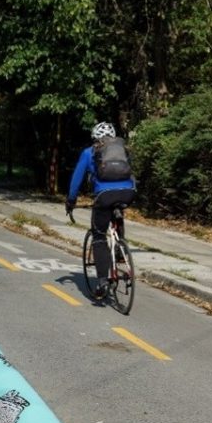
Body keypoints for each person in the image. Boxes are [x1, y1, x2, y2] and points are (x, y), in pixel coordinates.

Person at [66, 122, 136, 298]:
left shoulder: (89, 152)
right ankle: (120, 249)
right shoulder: (122, 149)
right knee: (117, 212)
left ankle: (103, 280)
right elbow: (130, 172)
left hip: (104, 195)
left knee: (98, 235)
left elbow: (77, 178)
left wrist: (71, 200)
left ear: (94, 138)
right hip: (128, 192)